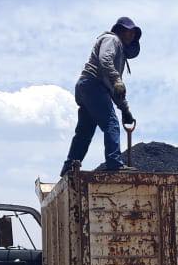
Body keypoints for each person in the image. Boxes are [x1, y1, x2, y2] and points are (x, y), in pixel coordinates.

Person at [61, 17, 142, 176]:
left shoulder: (119, 55)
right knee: (111, 123)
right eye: (129, 31)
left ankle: (69, 167)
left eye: (134, 33)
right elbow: (105, 59)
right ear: (120, 30)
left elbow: (114, 90)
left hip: (88, 87)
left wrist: (125, 110)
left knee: (84, 132)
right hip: (93, 85)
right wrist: (117, 79)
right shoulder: (111, 39)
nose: (131, 36)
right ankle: (114, 163)